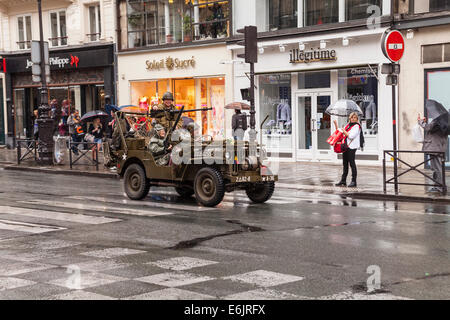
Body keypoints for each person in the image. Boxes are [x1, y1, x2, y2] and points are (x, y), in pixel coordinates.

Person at [418, 113, 448, 192]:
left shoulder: (438, 121)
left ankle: (439, 187)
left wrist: (420, 121)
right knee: (438, 167)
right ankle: (439, 185)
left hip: (435, 148)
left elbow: (428, 128)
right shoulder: (445, 123)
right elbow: (433, 129)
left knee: (437, 168)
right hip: (439, 147)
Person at [334, 112, 362, 188]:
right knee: (345, 164)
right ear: (349, 118)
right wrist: (336, 125)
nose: (353, 119)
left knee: (352, 163)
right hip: (346, 146)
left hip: (352, 147)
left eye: (354, 118)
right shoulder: (348, 125)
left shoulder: (357, 126)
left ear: (357, 119)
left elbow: (351, 136)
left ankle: (354, 181)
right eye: (352, 117)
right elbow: (341, 133)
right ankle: (343, 180)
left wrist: (344, 130)